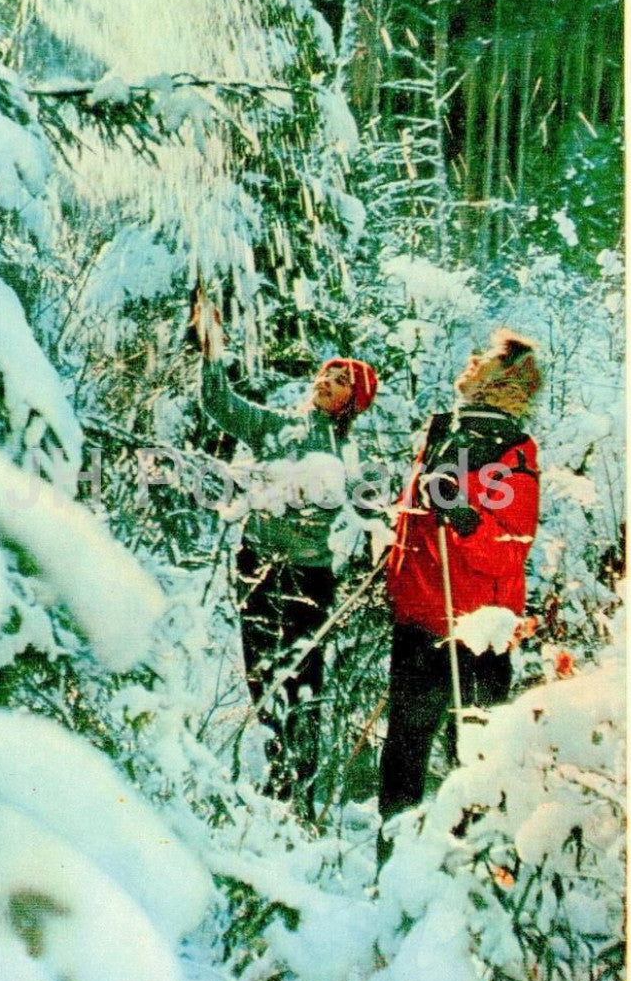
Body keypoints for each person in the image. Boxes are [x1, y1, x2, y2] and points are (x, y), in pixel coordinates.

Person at [194, 294, 378, 820]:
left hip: (311, 576)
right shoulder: (274, 426)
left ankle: (299, 792)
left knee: (304, 683)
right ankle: (272, 782)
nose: (326, 382)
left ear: (353, 401)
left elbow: (369, 509)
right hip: (256, 566)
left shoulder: (350, 454)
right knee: (260, 676)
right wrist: (212, 356)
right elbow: (221, 406)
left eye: (340, 381)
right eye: (325, 374)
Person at [378, 330, 542, 857]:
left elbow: (507, 546)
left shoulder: (512, 451)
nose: (472, 361)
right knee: (404, 752)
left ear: (505, 381)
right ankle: (395, 865)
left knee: (473, 757)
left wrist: (464, 516)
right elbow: (419, 516)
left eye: (487, 360)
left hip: (476, 627)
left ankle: (469, 876)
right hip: (420, 613)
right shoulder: (448, 431)